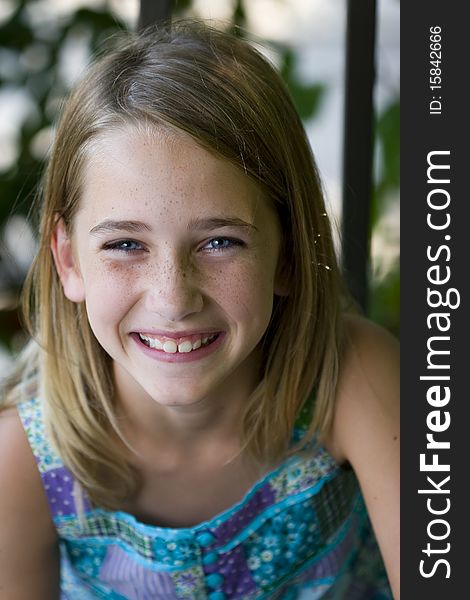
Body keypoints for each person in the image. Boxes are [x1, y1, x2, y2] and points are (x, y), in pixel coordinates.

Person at [0, 20, 399, 599]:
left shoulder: (353, 378)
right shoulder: (25, 460)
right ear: (69, 261)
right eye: (124, 245)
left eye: (220, 242)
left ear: (286, 253)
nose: (173, 298)